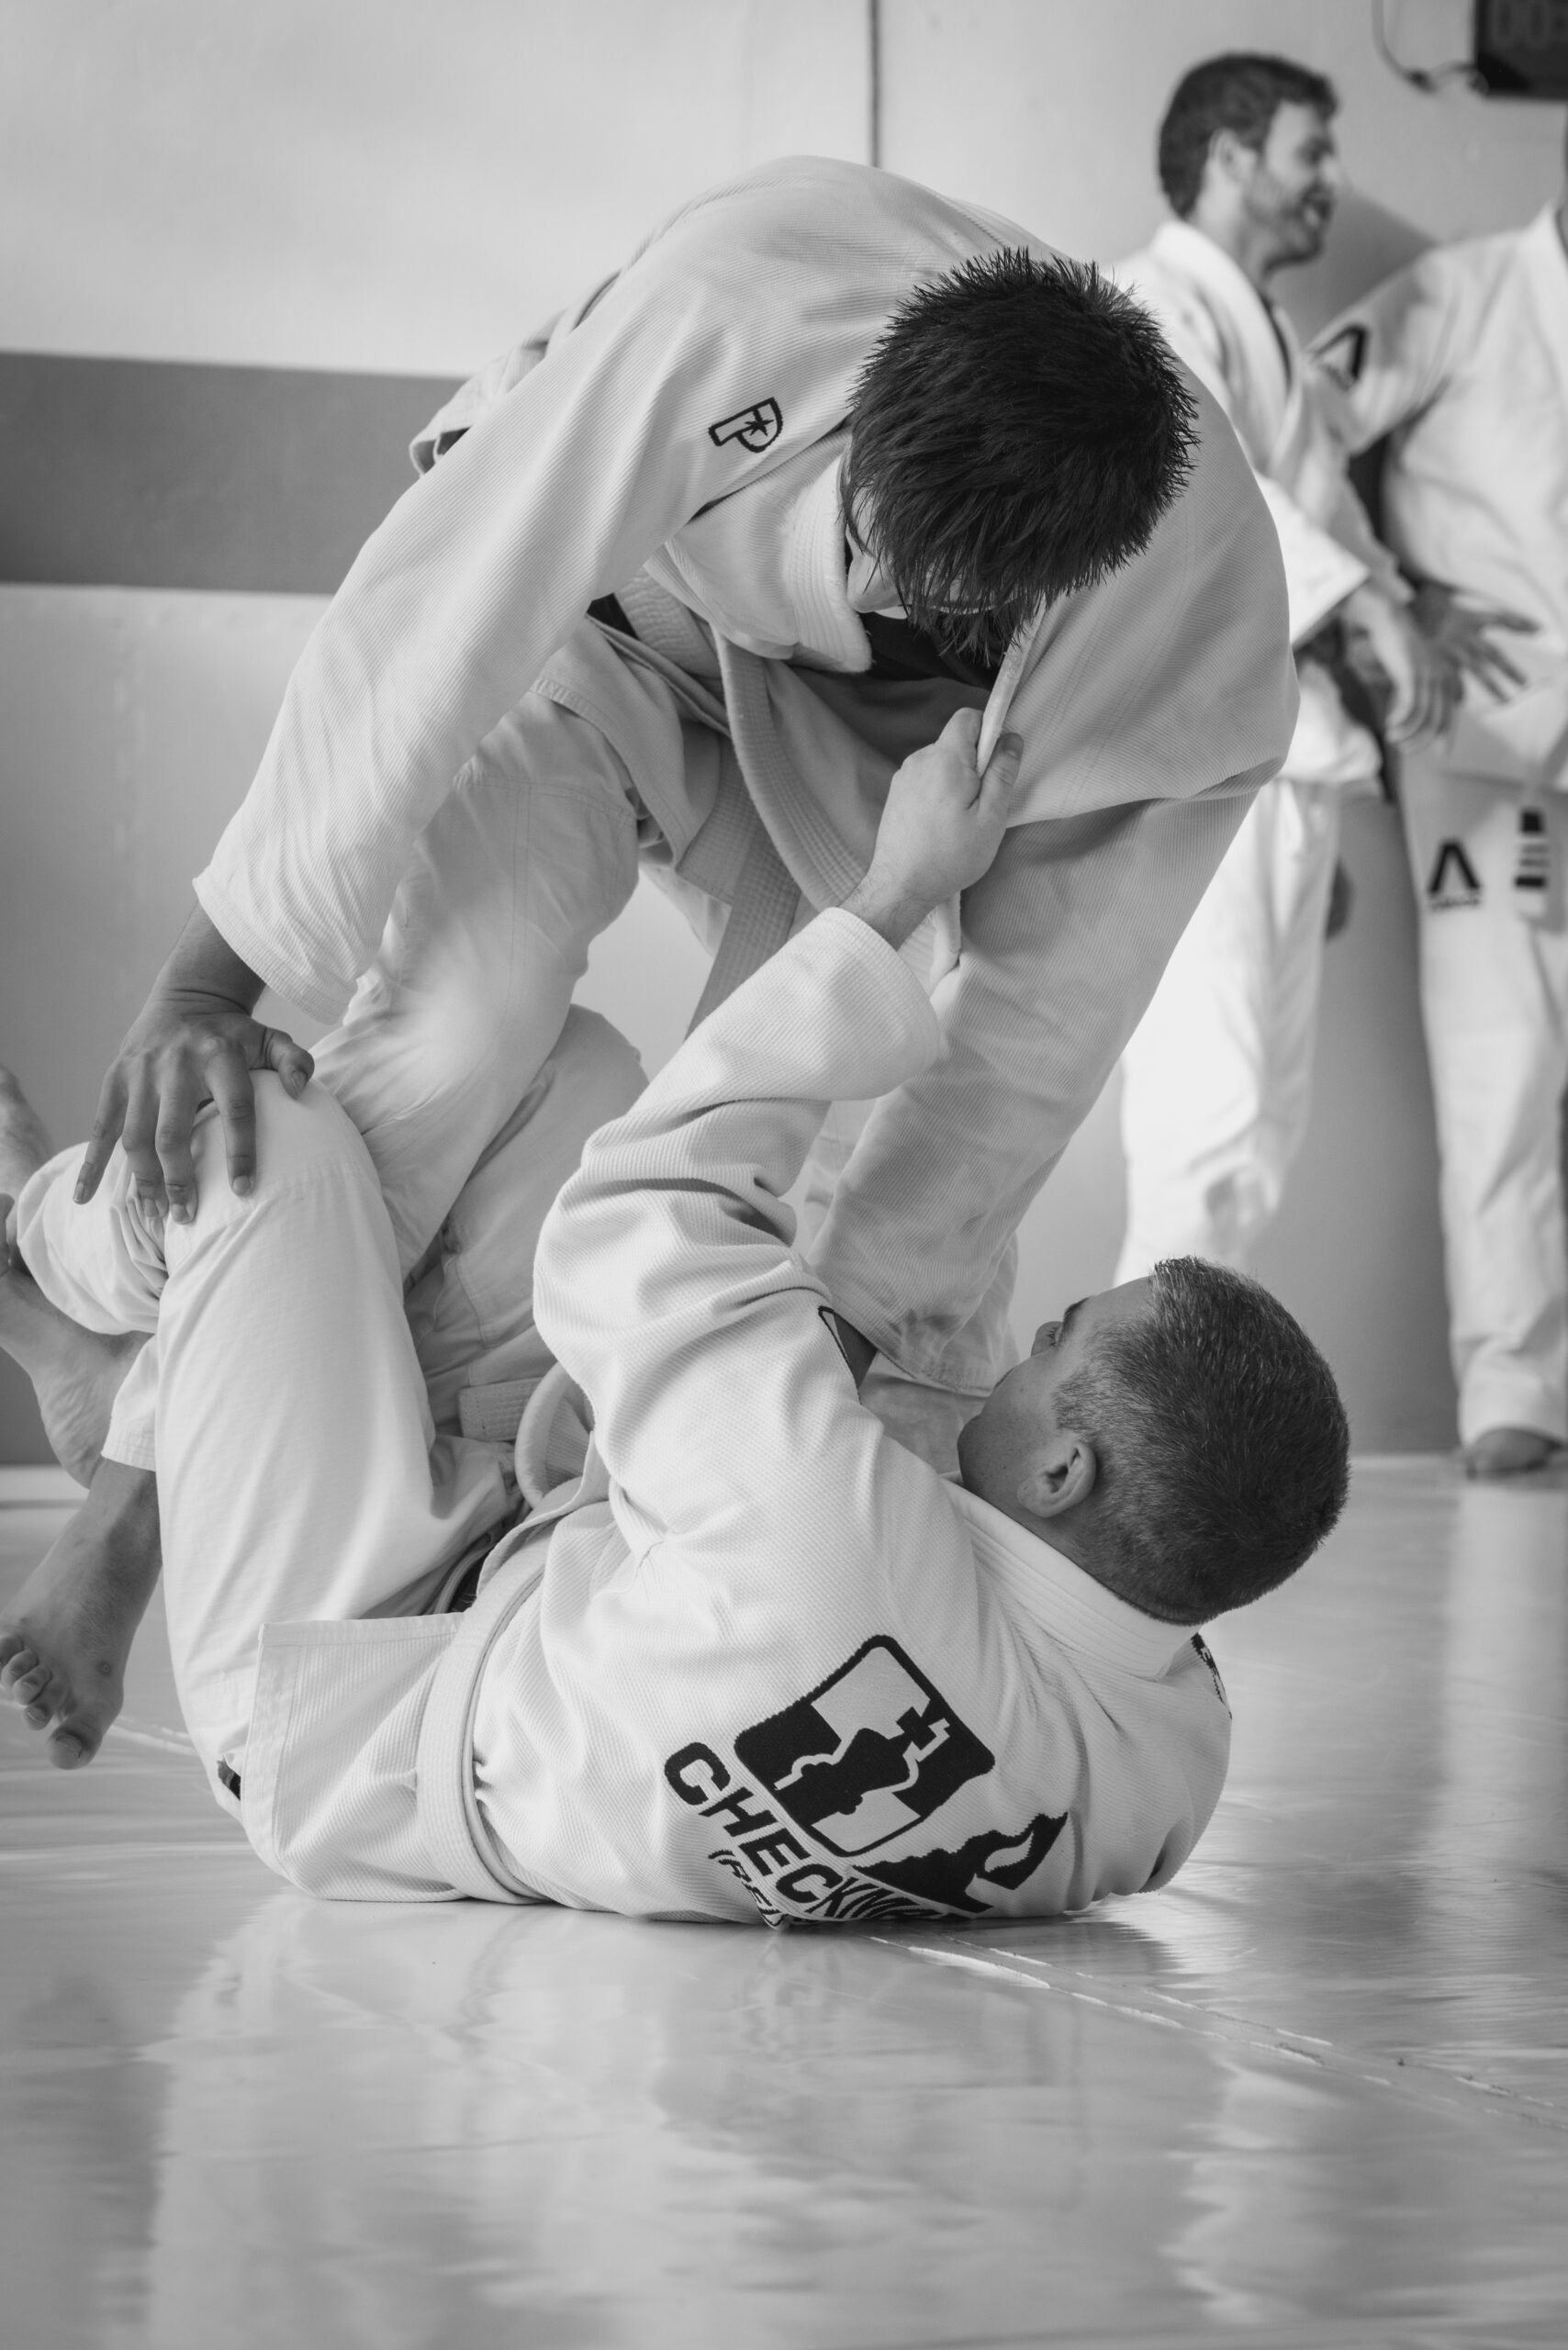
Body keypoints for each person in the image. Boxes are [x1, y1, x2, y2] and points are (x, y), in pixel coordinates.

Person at [69, 156, 1296, 1500]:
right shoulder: (743, 299)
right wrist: (210, 978)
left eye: (943, 598)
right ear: (862, 406)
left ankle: (327, 1441)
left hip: (869, 800)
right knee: (458, 1029)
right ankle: (114, 1408)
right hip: (621, 642)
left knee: (878, 1277)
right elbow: (446, 601)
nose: (884, 589)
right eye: (873, 538)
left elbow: (1034, 1041)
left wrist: (817, 1340)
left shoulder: (1198, 647)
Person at [0, 716, 1349, 1926]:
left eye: (1058, 1343)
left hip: (335, 1698)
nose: (1023, 1354)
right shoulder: (1168, 1768)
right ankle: (133, 1388)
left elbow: (646, 1205)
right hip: (532, 1578)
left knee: (264, 1137)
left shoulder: (830, 1535)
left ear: (1067, 1471)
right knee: (566, 1078)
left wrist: (896, 901)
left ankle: (44, 1239)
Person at [1112, 53, 1471, 1282]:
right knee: (1207, 1112)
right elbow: (1227, 496)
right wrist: (1373, 614)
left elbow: (1331, 521)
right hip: (1204, 759)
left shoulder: (1268, 332)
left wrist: (1401, 601)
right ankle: (1137, 1420)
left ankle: (1182, 1411)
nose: (1332, 182)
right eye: (1310, 152)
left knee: (1259, 1122)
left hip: (1279, 765)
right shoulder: (1148, 305)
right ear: (1229, 159)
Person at [1314, 159, 1562, 1480]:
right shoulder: (1461, 296)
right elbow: (1290, 418)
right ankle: (1513, 1383)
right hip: (1492, 752)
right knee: (1502, 1055)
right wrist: (1389, 599)